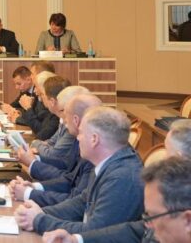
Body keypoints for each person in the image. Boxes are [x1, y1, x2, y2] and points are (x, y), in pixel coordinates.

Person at [43, 120, 191, 243]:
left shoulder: (124, 176)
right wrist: (76, 239)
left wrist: (42, 219)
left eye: (166, 151)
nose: (162, 158)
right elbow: (135, 230)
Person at [15, 106, 144, 235]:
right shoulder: (107, 163)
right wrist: (41, 212)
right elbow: (81, 203)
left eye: (81, 133)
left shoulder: (123, 178)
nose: (78, 138)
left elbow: (95, 231)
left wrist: (40, 220)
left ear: (94, 139)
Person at [11, 92, 101, 207]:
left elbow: (78, 203)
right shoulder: (83, 142)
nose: (63, 120)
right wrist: (34, 187)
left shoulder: (94, 152)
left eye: (65, 114)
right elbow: (70, 178)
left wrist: (29, 194)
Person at [17, 80, 80, 181]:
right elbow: (50, 142)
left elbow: (51, 152)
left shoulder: (69, 125)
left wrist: (36, 144)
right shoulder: (61, 119)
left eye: (42, 94)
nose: (37, 94)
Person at [19, 72, 63, 141]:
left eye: (36, 87)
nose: (35, 91)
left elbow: (41, 132)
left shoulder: (56, 115)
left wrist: (28, 108)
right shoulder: (44, 104)